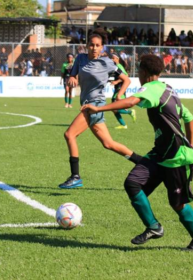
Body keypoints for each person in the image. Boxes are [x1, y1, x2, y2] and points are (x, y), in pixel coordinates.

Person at [81, 54, 193, 251]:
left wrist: (99, 108)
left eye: (139, 71)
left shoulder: (150, 88)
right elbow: (189, 117)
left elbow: (131, 102)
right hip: (160, 154)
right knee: (133, 183)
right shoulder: (168, 88)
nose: (138, 75)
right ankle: (154, 227)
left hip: (174, 156)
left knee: (177, 204)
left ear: (145, 72)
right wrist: (190, 143)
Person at [58, 29, 144, 189]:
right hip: (87, 104)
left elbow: (126, 80)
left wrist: (120, 95)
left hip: (95, 105)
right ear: (86, 46)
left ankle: (75, 176)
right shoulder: (80, 59)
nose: (94, 48)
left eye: (98, 45)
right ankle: (143, 162)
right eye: (91, 45)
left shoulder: (107, 63)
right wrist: (71, 78)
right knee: (108, 143)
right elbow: (74, 74)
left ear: (102, 47)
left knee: (69, 134)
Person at [109, 52, 136, 129]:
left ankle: (130, 112)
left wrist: (116, 82)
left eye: (113, 58)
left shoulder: (118, 66)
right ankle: (123, 125)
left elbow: (126, 76)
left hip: (120, 88)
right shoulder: (115, 66)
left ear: (117, 58)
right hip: (117, 88)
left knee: (114, 107)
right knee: (114, 109)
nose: (112, 59)